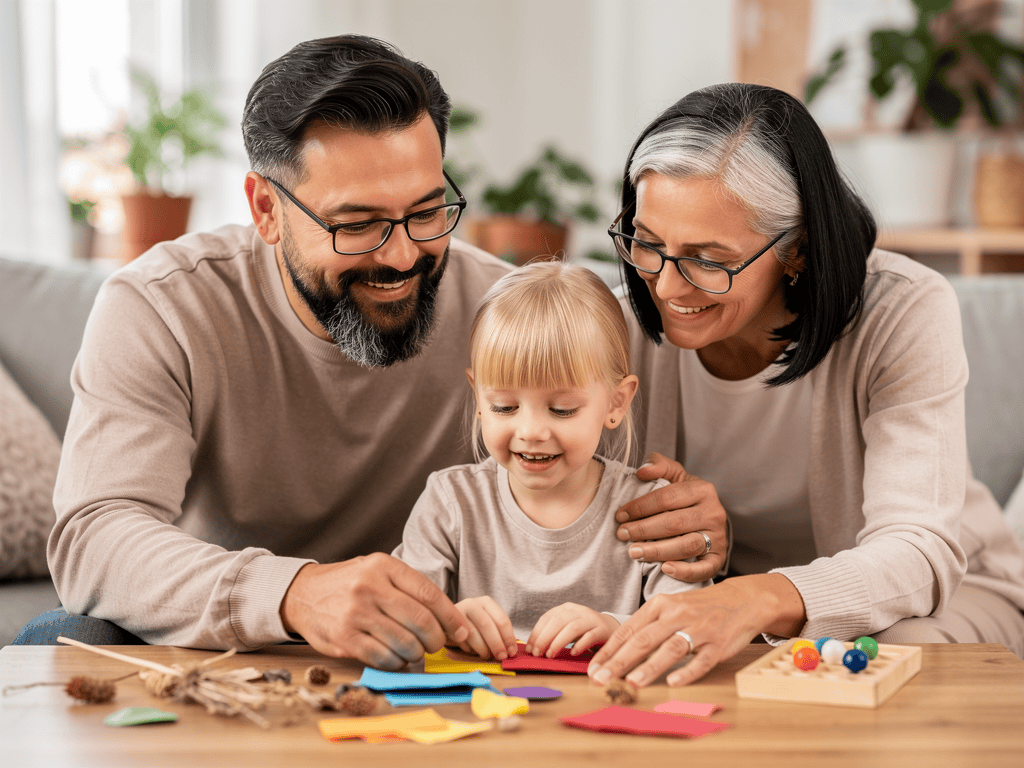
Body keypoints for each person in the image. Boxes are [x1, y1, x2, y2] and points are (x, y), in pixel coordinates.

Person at [38, 35, 516, 666]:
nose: (402, 256)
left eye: (427, 213)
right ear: (267, 209)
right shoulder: (162, 307)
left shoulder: (505, 312)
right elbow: (93, 539)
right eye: (357, 225)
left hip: (432, 647)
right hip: (222, 642)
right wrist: (296, 594)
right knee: (57, 638)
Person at [587, 83, 1024, 689]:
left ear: (796, 247)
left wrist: (753, 598)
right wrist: (694, 557)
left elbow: (917, 551)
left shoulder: (902, 312)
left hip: (944, 595)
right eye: (648, 244)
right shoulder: (610, 331)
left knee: (881, 654)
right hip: (725, 607)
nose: (666, 288)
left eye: (709, 259)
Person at [394, 261, 706, 661]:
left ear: (616, 403)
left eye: (561, 410)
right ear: (478, 398)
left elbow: (690, 626)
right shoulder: (449, 502)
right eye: (504, 406)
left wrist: (616, 628)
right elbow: (400, 619)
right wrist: (448, 622)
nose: (531, 431)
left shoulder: (653, 513)